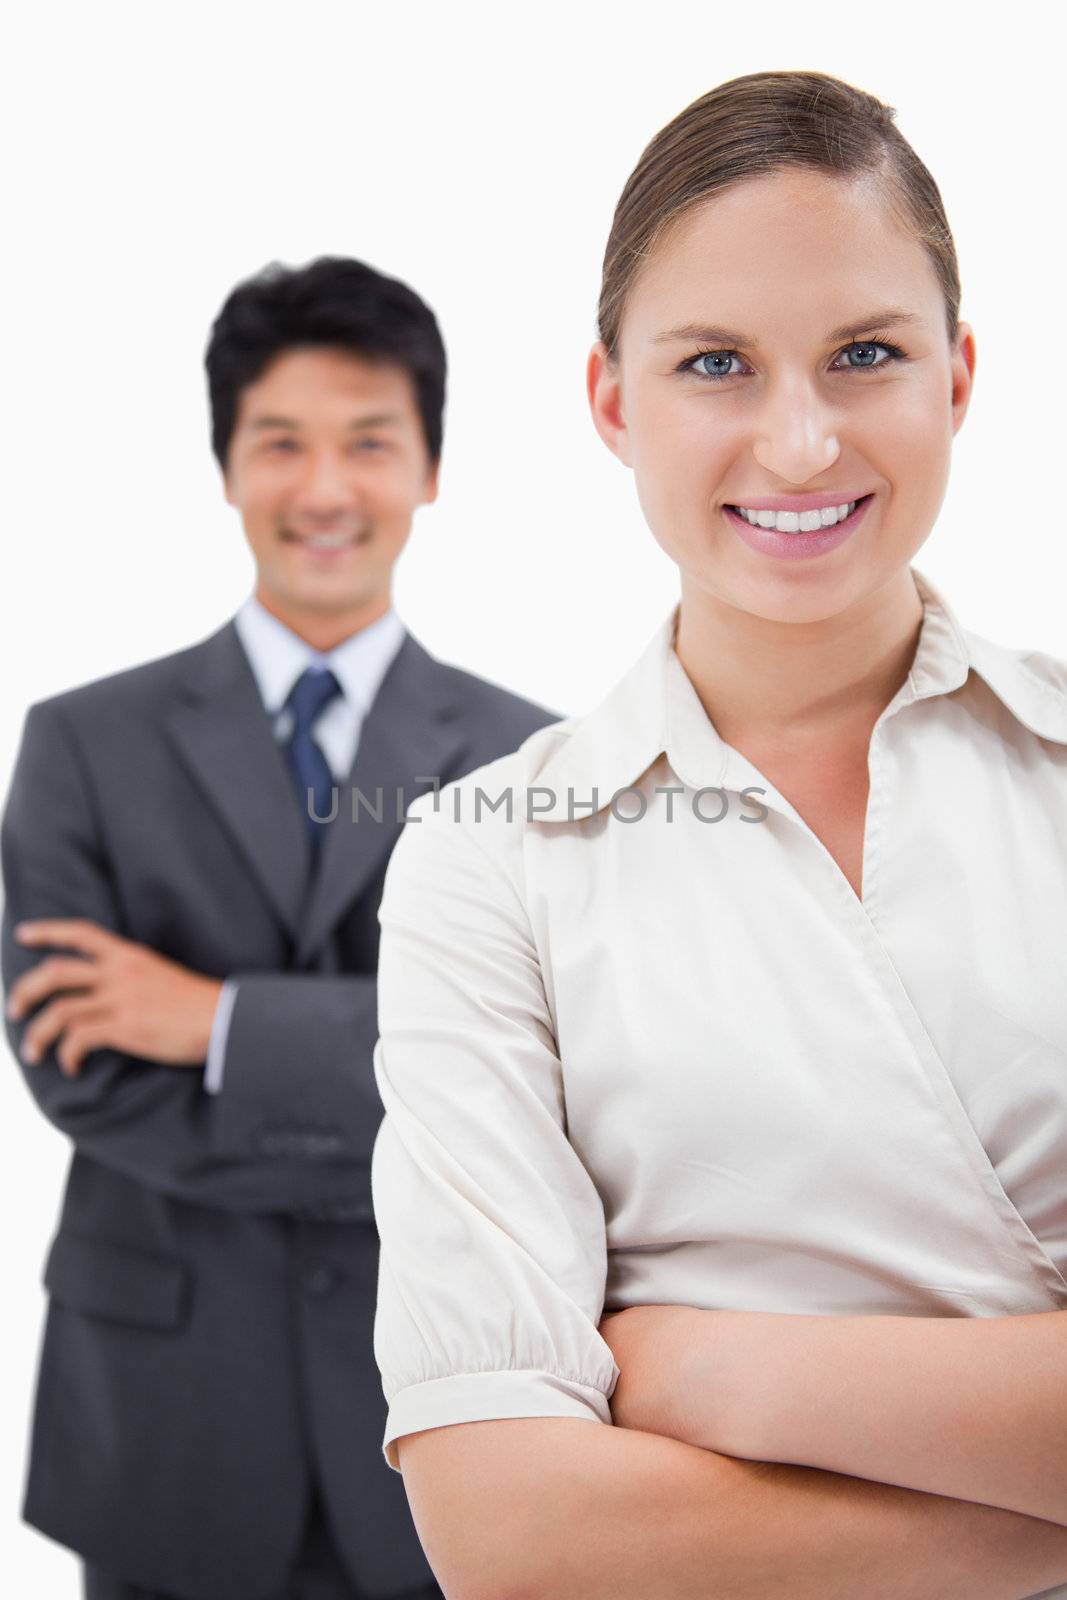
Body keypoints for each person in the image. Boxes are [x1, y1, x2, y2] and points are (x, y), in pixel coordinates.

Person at [367, 70, 1067, 1600]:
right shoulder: (492, 857)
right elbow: (511, 1532)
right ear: (614, 400)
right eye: (718, 365)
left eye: (864, 354)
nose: (802, 443)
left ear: (959, 376)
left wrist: (716, 1372)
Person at [1, 256, 560, 1600]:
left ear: (430, 468)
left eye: (370, 443)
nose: (324, 490)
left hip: (441, 1415)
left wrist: (218, 1023)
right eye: (281, 444)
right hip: (167, 1415)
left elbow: (539, 1085)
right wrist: (404, 1098)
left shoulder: (531, 761)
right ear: (227, 467)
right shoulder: (83, 742)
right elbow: (77, 1071)